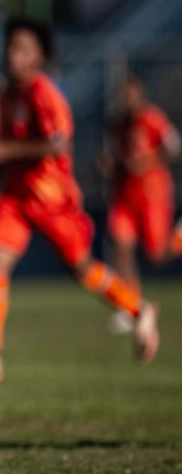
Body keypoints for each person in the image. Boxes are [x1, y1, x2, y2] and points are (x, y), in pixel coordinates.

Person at [0, 18, 161, 385]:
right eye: (11, 47)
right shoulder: (7, 95)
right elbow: (10, 145)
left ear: (39, 57)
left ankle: (138, 309)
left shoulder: (44, 93)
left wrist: (7, 151)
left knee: (82, 268)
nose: (13, 55)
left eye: (23, 49)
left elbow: (58, 144)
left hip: (52, 198)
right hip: (16, 195)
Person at [98, 75, 182, 333]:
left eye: (131, 95)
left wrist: (149, 161)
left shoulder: (153, 119)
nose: (127, 101)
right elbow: (116, 156)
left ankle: (179, 237)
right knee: (120, 244)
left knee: (156, 255)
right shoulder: (117, 124)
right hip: (125, 194)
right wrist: (109, 165)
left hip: (152, 194)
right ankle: (131, 305)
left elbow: (174, 147)